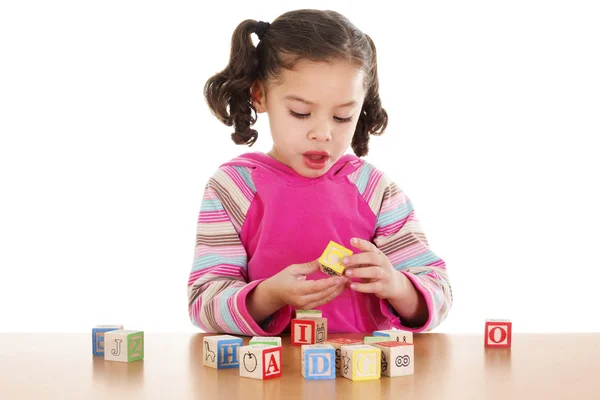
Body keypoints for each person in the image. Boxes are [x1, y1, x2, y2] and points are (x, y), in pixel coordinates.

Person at [187, 9, 452, 336]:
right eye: (301, 112)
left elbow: (438, 291)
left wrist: (397, 285)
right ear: (260, 96)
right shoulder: (234, 187)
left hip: (362, 375)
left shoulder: (374, 189)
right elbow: (203, 300)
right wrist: (267, 296)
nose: (323, 133)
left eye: (342, 117)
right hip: (266, 379)